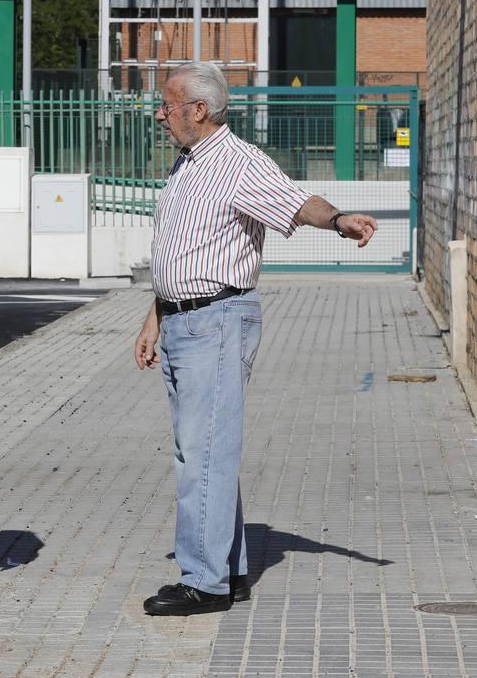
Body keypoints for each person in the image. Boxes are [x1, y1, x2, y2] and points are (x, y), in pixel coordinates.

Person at [134, 61, 378, 617]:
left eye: (167, 105)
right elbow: (178, 253)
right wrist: (155, 318)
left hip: (215, 320)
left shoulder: (237, 163)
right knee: (203, 450)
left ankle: (205, 583)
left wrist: (339, 220)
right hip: (180, 320)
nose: (160, 114)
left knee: (202, 453)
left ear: (198, 109)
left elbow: (295, 201)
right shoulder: (187, 165)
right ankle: (230, 569)